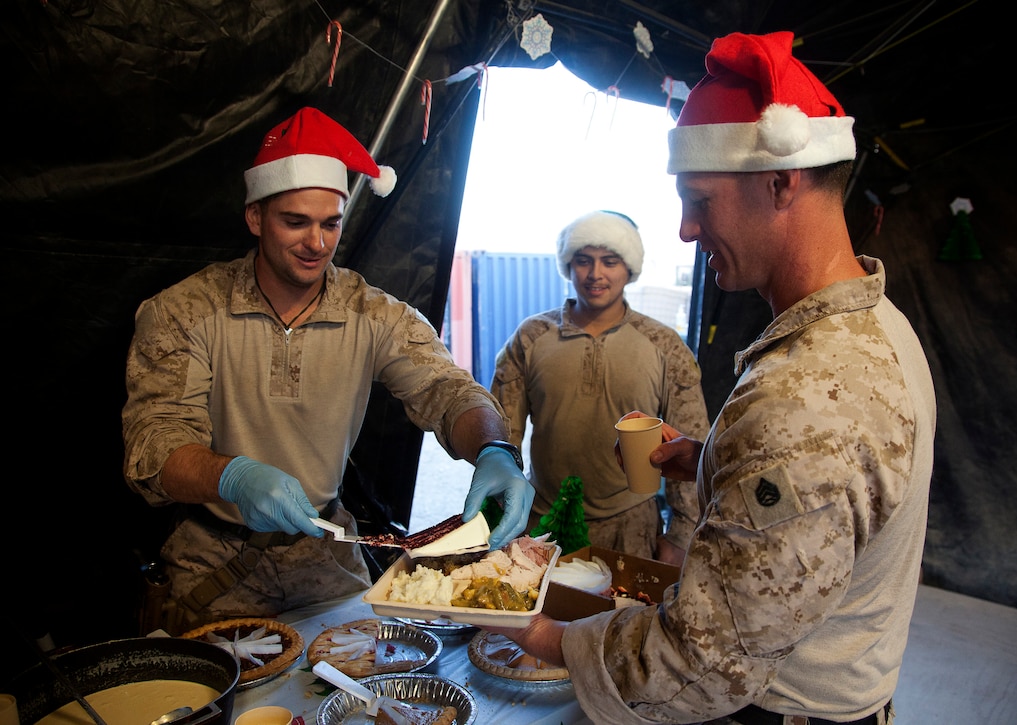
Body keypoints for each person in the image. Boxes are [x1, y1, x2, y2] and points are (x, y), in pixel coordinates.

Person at [488, 31, 936, 725]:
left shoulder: (805, 392)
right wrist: (712, 459)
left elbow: (703, 660)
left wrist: (544, 634)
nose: (688, 229)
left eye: (699, 200)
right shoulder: (880, 326)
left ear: (781, 182)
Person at [121, 107, 533, 630]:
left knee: (370, 687)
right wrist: (233, 476)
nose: (316, 243)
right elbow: (152, 443)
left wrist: (495, 449)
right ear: (254, 216)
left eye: (330, 223)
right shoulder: (185, 311)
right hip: (212, 561)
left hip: (325, 550)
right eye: (295, 222)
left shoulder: (372, 313)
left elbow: (448, 390)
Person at [490, 210, 709, 563]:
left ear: (630, 268)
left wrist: (681, 536)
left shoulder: (664, 345)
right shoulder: (531, 338)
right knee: (539, 619)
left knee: (627, 618)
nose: (595, 274)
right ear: (568, 266)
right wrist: (502, 519)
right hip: (543, 523)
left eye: (609, 261)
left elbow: (691, 445)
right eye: (583, 261)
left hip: (633, 527)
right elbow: (502, 438)